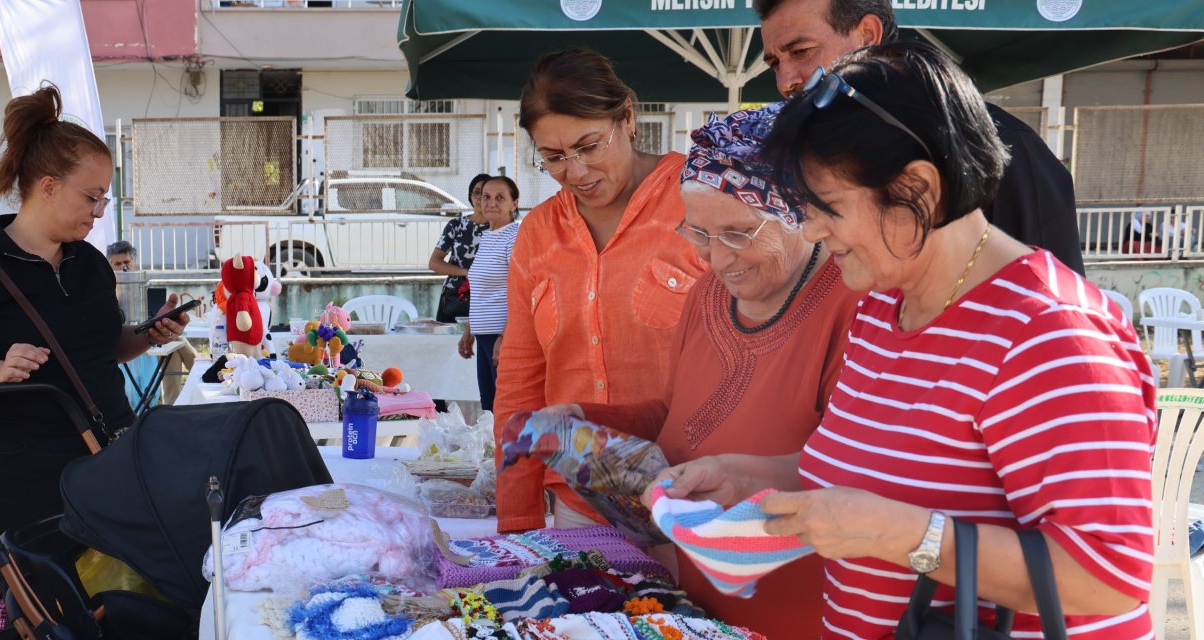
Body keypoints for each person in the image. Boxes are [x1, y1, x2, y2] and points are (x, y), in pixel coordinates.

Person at [654, 42, 1155, 638]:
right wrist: (744, 477)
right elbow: (878, 473)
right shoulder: (882, 306)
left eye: (826, 206)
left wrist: (904, 536)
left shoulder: (1050, 333)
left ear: (915, 189)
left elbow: (1107, 577)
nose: (809, 229)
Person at [540, 104, 861, 638]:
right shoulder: (708, 294)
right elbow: (675, 411)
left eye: (738, 233)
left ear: (800, 214)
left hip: (806, 605)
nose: (716, 259)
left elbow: (859, 470)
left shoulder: (854, 307)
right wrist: (588, 418)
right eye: (700, 233)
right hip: (702, 598)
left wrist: (739, 477)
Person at [0, 84, 191, 535]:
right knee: (49, 576)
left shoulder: (89, 262)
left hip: (107, 455)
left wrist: (148, 333)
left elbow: (104, 348)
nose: (99, 212)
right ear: (48, 187)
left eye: (104, 199)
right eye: (91, 197)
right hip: (20, 474)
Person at [494, 48, 708, 533]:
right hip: (580, 503)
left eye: (589, 147)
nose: (576, 172)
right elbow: (520, 385)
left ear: (627, 118)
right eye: (553, 157)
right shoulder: (538, 234)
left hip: (691, 495)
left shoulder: (699, 202)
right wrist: (519, 520)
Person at [754, 0, 1086, 275]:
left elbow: (1051, 293)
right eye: (775, 64)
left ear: (867, 35)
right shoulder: (813, 156)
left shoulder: (1005, 144)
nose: (784, 81)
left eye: (801, 51)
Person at [105, 241, 199, 405]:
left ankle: (172, 403)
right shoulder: (104, 291)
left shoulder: (141, 286)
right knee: (175, 343)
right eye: (118, 264)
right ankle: (202, 371)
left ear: (134, 262)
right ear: (110, 266)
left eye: (127, 262)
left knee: (172, 345)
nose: (123, 267)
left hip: (152, 338)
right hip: (129, 344)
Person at [457, 176, 521, 412]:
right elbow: (482, 290)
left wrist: (506, 337)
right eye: (486, 197)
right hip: (485, 335)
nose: (491, 203)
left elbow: (521, 290)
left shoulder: (515, 236)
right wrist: (470, 330)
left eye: (500, 198)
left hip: (501, 336)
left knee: (505, 408)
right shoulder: (490, 235)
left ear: (514, 203)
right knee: (489, 407)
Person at [430, 174, 491, 323]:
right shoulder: (456, 225)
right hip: (454, 298)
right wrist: (466, 272)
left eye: (486, 194)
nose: (481, 198)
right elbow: (434, 263)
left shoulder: (501, 229)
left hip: (488, 299)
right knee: (449, 337)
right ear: (470, 196)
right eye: (477, 193)